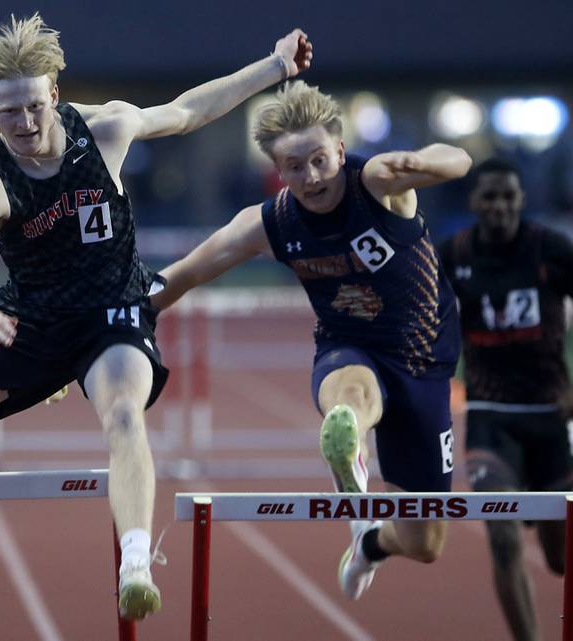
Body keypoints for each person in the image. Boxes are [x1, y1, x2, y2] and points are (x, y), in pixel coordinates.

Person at [0, 13, 312, 620]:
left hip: (113, 310)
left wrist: (274, 67)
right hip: (28, 318)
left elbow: (188, 112)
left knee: (125, 413)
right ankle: (29, 384)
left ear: (54, 94)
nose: (25, 124)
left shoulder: (104, 128)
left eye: (34, 106)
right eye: (9, 113)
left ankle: (136, 562)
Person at [150, 81, 472, 599]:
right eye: (294, 167)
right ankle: (350, 450)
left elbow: (454, 158)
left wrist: (427, 160)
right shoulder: (271, 221)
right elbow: (184, 275)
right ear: (278, 170)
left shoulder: (379, 181)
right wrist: (118, 317)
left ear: (340, 152)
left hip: (424, 363)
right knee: (350, 400)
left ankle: (370, 545)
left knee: (426, 541)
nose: (311, 177)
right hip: (348, 349)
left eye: (320, 160)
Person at [439, 158, 572, 641]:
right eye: (489, 197)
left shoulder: (549, 248)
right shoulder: (453, 253)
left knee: (561, 560)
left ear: (520, 200)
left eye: (507, 197)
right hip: (490, 416)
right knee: (501, 531)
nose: (498, 207)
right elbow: (415, 308)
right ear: (475, 202)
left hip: (550, 417)